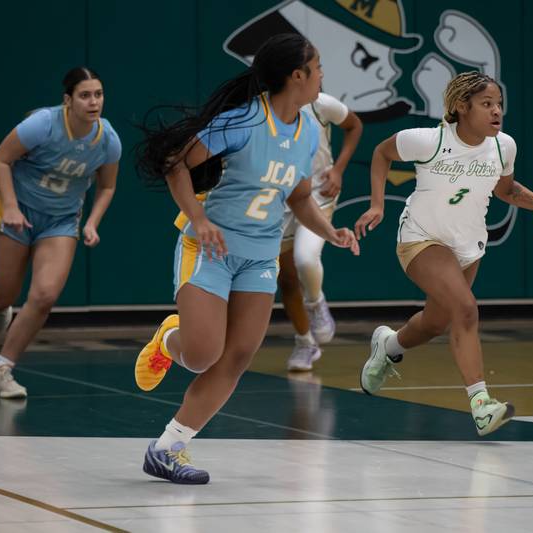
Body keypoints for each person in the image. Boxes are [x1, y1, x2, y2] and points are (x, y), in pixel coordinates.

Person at [133, 34, 359, 484]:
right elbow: (175, 163)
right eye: (317, 68)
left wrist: (329, 231)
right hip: (210, 249)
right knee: (201, 354)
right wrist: (197, 217)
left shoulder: (310, 129)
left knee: (235, 358)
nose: (321, 76)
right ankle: (168, 339)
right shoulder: (241, 122)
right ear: (297, 76)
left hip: (259, 258)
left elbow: (297, 196)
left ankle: (167, 449)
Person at [354, 71, 533, 436]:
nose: (496, 111)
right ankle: (481, 404)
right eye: (487, 104)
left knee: (435, 323)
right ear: (461, 106)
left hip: (468, 246)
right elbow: (381, 153)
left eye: (499, 104)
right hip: (421, 239)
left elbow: (506, 189)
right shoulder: (429, 140)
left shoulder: (505, 146)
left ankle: (388, 344)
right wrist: (377, 204)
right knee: (466, 308)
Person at [0, 67, 121, 398]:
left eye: (98, 95)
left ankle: (1, 371)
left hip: (60, 221)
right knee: (3, 294)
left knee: (45, 295)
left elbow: (107, 186)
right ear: (68, 100)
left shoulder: (108, 140)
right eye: (85, 95)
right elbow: (0, 160)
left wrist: (92, 222)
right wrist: (12, 206)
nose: (93, 102)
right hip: (18, 212)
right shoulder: (43, 124)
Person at [279, 92, 362, 371]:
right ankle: (305, 343)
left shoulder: (320, 103)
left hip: (318, 191)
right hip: (278, 195)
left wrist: (338, 169)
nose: (321, 73)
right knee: (288, 278)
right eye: (316, 68)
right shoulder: (262, 107)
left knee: (305, 258)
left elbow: (354, 125)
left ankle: (315, 302)